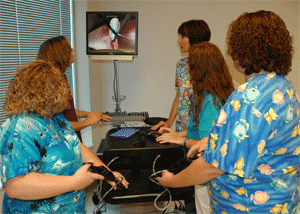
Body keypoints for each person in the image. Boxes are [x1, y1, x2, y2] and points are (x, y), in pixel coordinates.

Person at [156, 10, 300, 214]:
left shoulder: (250, 97)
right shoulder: (283, 88)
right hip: (284, 203)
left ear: (243, 48)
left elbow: (213, 167)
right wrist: (212, 141)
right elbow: (261, 137)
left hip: (248, 207)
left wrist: (173, 181)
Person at [0, 60, 129, 213]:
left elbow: (76, 145)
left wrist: (107, 172)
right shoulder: (19, 129)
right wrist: (74, 182)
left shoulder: (54, 117)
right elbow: (15, 187)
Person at [157, 42, 235, 213]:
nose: (188, 71)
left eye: (190, 66)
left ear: (200, 69)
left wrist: (180, 140)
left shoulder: (211, 102)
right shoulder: (211, 93)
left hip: (209, 178)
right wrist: (177, 133)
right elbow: (200, 127)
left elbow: (207, 143)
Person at [37, 36, 111, 142]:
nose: (73, 50)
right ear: (60, 54)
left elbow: (67, 111)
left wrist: (89, 115)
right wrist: (88, 122)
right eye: (69, 48)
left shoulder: (62, 78)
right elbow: (58, 125)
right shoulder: (50, 84)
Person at [152, 20, 211, 132]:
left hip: (202, 130)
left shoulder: (211, 65)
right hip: (182, 128)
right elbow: (179, 96)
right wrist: (169, 122)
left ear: (195, 38)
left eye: (183, 37)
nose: (179, 41)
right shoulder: (181, 64)